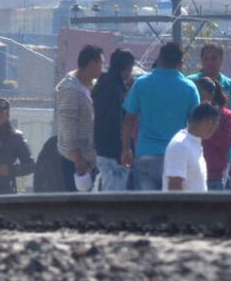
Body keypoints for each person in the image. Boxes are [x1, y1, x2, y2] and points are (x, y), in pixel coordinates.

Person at [121, 42, 201, 191]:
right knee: (173, 208)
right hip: (177, 157)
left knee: (148, 207)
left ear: (159, 58)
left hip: (146, 154)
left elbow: (128, 120)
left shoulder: (141, 84)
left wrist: (126, 149)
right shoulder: (189, 87)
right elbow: (196, 124)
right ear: (180, 63)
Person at [54, 45, 103, 192]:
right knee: (77, 205)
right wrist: (78, 157)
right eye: (101, 63)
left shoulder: (92, 85)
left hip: (90, 157)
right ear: (92, 63)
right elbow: (67, 126)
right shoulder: (71, 89)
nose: (103, 67)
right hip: (74, 159)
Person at [92, 49, 135, 191]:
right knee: (114, 197)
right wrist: (123, 150)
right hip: (113, 152)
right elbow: (116, 122)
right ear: (127, 67)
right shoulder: (115, 89)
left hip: (101, 147)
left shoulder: (103, 82)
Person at [163, 102, 222, 192]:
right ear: (208, 122)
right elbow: (174, 187)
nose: (215, 130)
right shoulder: (180, 145)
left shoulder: (194, 143)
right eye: (216, 125)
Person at [194, 77, 231, 190]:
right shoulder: (191, 113)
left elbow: (225, 142)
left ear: (211, 95)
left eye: (201, 94)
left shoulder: (227, 116)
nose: (197, 98)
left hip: (215, 175)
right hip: (192, 172)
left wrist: (205, 129)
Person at [187, 43, 231, 107]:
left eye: (214, 58)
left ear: (221, 60)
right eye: (206, 59)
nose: (209, 62)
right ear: (201, 60)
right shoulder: (190, 82)